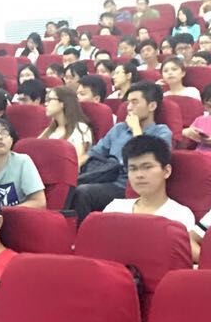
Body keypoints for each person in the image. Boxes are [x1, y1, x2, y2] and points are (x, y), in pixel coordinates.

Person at [69, 83, 173, 221]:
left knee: (83, 192)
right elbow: (94, 152)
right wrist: (73, 168)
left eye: (135, 102)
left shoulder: (161, 132)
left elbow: (144, 156)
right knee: (68, 186)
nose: (129, 107)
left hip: (127, 183)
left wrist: (136, 128)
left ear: (152, 106)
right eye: (128, 102)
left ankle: (83, 232)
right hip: (105, 176)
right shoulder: (119, 129)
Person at [103, 136, 197, 249]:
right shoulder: (115, 208)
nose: (139, 175)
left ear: (167, 171)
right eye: (133, 169)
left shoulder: (180, 215)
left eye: (147, 167)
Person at [38, 85, 93, 166]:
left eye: (50, 100)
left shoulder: (80, 128)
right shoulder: (49, 130)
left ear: (63, 103)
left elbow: (77, 161)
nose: (46, 104)